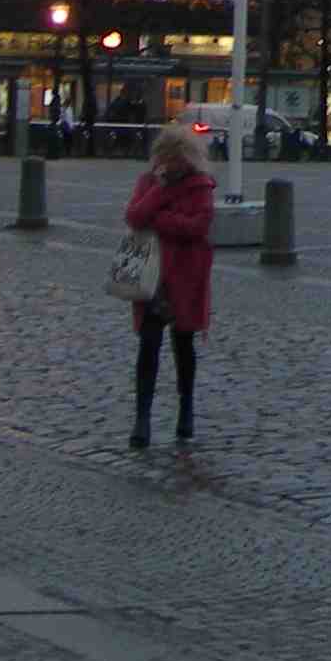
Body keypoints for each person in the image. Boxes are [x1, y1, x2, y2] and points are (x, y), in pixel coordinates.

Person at [123, 122, 216, 448]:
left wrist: (160, 219)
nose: (168, 164)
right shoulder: (149, 182)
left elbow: (197, 226)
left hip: (185, 276)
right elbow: (135, 216)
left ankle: (186, 409)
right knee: (148, 345)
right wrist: (160, 192)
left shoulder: (200, 186)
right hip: (152, 276)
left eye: (175, 158)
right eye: (165, 157)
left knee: (183, 345)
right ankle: (142, 418)